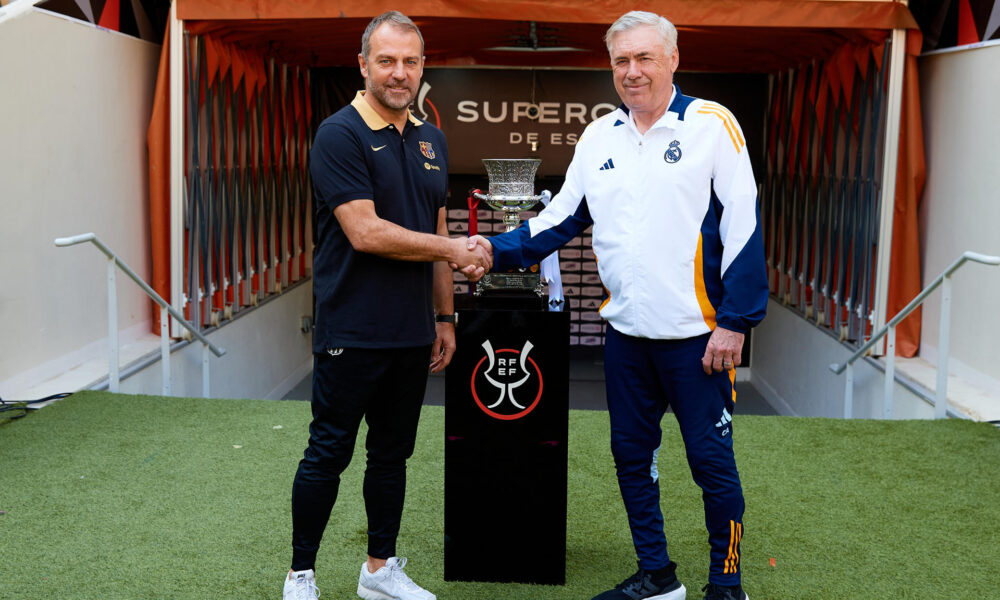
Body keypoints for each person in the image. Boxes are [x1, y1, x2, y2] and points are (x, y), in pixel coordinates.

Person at [464, 10, 766, 600]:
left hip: (698, 340)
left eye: (644, 57)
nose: (632, 71)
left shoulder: (712, 125)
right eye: (621, 60)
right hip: (626, 337)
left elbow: (745, 226)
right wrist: (487, 250)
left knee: (711, 465)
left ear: (672, 59)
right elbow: (559, 220)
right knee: (631, 459)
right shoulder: (600, 135)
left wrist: (735, 323)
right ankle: (658, 577)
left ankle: (726, 584)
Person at [283, 11, 490, 600]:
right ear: (364, 65)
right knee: (329, 452)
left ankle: (378, 570)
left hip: (410, 333)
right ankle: (301, 575)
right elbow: (367, 232)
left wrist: (445, 316)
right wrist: (453, 249)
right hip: (351, 328)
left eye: (411, 62)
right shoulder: (339, 134)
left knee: (392, 455)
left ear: (422, 68)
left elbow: (435, 224)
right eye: (387, 61)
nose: (399, 73)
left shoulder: (431, 138)